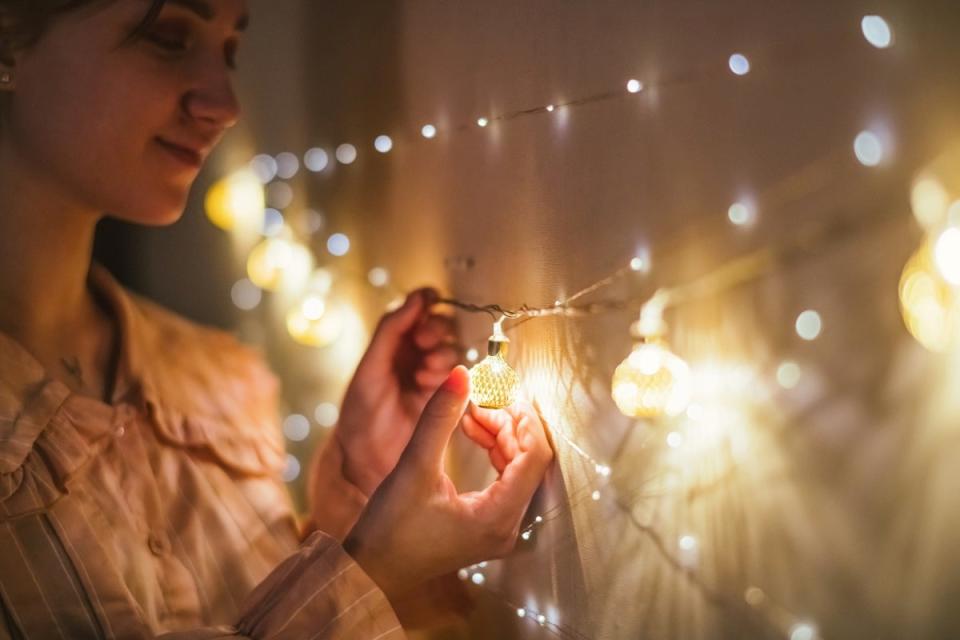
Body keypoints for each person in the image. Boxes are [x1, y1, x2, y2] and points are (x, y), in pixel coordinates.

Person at [0, 0, 554, 637]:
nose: (225, 102)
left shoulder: (224, 382)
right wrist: (372, 568)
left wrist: (353, 504)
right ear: (10, 37)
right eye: (167, 36)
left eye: (230, 50)